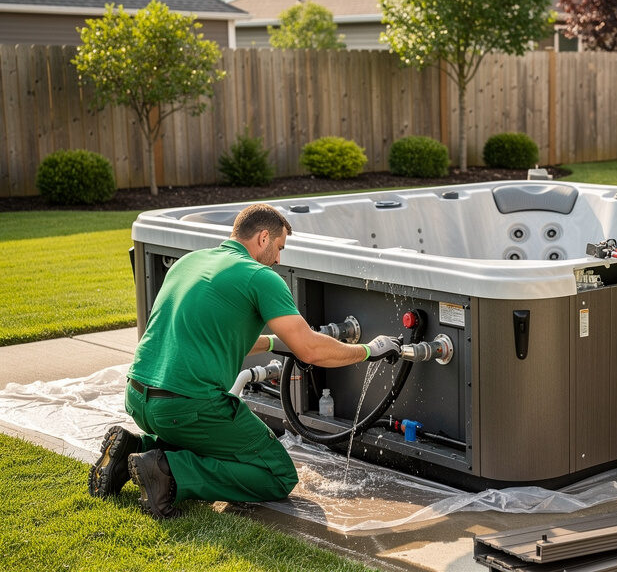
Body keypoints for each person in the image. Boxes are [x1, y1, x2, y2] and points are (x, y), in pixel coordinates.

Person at [88, 203, 401, 518]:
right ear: (263, 238)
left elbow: (215, 335)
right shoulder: (259, 277)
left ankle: (133, 449)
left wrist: (275, 342)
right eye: (279, 247)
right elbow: (312, 351)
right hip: (185, 406)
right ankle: (168, 473)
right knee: (277, 473)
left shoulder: (190, 262)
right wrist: (369, 350)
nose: (279, 259)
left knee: (212, 443)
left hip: (138, 396)